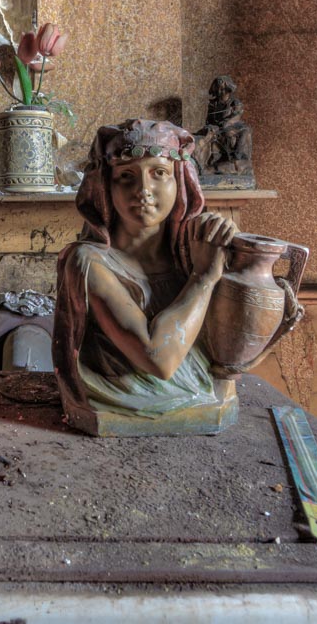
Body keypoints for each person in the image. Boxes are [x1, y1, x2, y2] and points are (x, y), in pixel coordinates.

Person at [53, 119, 239, 434]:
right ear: (106, 186)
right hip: (126, 403)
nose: (143, 190)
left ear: (181, 182)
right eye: (126, 176)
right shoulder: (88, 263)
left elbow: (233, 351)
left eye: (159, 173)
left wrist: (230, 255)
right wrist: (205, 278)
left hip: (204, 399)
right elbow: (158, 360)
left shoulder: (190, 253)